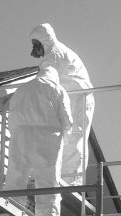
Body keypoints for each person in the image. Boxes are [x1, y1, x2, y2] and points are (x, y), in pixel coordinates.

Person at [4, 66, 73, 216]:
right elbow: (66, 119)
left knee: (16, 176)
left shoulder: (22, 89)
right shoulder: (57, 88)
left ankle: (10, 214)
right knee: (48, 181)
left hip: (21, 135)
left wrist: (17, 134)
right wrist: (65, 137)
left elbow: (11, 116)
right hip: (48, 135)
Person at [29, 23, 95, 186]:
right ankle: (63, 176)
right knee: (63, 136)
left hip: (80, 98)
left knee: (74, 137)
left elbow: (46, 77)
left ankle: (72, 181)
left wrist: (27, 94)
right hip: (71, 97)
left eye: (36, 46)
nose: (34, 52)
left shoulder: (54, 52)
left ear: (43, 42)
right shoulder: (53, 52)